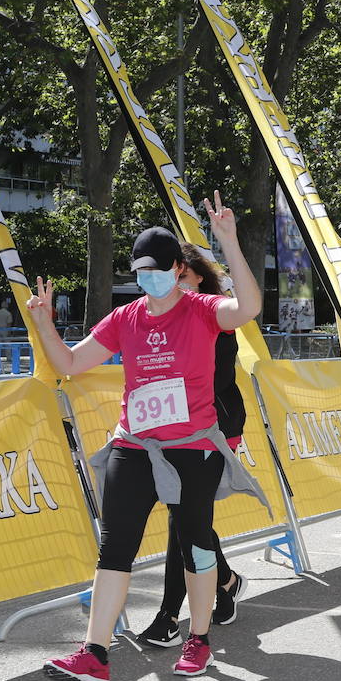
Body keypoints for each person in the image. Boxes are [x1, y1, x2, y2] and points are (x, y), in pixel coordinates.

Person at [34, 193, 263, 681]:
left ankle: (198, 638)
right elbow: (70, 364)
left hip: (192, 448)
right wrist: (44, 324)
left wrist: (228, 241)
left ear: (179, 269)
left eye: (157, 270)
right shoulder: (126, 317)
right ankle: (95, 653)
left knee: (195, 542)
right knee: (115, 547)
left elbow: (248, 306)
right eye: (140, 272)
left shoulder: (202, 310)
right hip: (134, 445)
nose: (148, 279)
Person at [135, 246, 251, 648]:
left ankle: (169, 616)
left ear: (197, 277)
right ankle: (226, 581)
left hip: (214, 427)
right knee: (188, 517)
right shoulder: (156, 318)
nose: (170, 288)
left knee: (182, 518)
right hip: (169, 429)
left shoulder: (213, 314)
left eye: (178, 278)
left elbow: (215, 379)